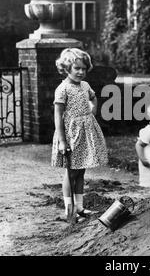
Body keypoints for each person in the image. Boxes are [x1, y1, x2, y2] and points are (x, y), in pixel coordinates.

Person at [51, 48, 108, 219]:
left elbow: (93, 98)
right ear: (66, 68)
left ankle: (80, 208)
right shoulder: (63, 89)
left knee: (81, 170)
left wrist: (92, 112)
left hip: (85, 133)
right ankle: (69, 211)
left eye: (84, 68)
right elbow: (58, 116)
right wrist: (62, 141)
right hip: (70, 135)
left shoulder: (85, 85)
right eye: (77, 68)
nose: (81, 72)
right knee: (71, 172)